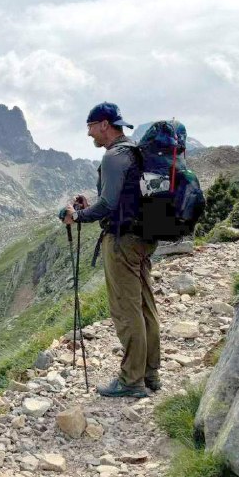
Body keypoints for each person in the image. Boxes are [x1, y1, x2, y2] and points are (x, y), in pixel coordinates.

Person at [61, 102, 161, 398]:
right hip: (143, 237)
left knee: (125, 308)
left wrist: (78, 215)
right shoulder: (133, 151)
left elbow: (109, 205)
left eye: (90, 126)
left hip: (122, 241)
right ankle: (150, 373)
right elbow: (124, 196)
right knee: (145, 305)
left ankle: (131, 381)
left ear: (104, 124)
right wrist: (90, 202)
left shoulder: (113, 157)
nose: (89, 133)